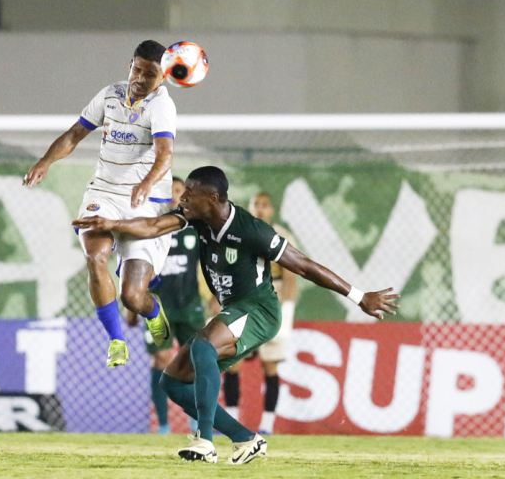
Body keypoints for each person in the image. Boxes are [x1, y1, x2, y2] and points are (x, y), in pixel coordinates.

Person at [73, 166, 398, 464]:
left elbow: (302, 264)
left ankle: (204, 440)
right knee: (173, 382)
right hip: (232, 309)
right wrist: (113, 224)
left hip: (259, 309)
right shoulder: (195, 218)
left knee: (202, 347)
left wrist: (359, 296)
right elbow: (155, 225)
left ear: (212, 198)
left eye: (190, 192)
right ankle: (245, 439)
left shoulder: (251, 230)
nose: (182, 197)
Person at [24, 40, 177, 368]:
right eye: (137, 68)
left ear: (163, 77)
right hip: (103, 193)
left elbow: (165, 154)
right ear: (130, 64)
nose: (140, 77)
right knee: (95, 257)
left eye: (150, 74)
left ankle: (152, 311)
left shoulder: (162, 106)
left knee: (132, 297)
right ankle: (116, 340)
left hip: (146, 203)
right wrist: (46, 161)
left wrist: (147, 182)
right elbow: (75, 134)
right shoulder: (109, 95)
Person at [126, 177, 208, 434]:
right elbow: (134, 265)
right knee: (161, 360)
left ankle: (195, 421)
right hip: (157, 308)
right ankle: (162, 425)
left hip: (189, 305)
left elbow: (210, 265)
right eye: (172, 190)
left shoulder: (197, 227)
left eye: (181, 191)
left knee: (194, 362)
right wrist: (131, 305)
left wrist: (216, 297)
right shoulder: (149, 226)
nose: (176, 195)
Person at [222, 192, 297, 434]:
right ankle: (232, 419)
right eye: (257, 205)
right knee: (233, 361)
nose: (261, 210)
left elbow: (291, 278)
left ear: (271, 210)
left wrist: (287, 310)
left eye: (265, 205)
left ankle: (267, 425)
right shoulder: (238, 235)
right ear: (250, 208)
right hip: (245, 296)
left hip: (272, 294)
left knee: (270, 365)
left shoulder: (282, 236)